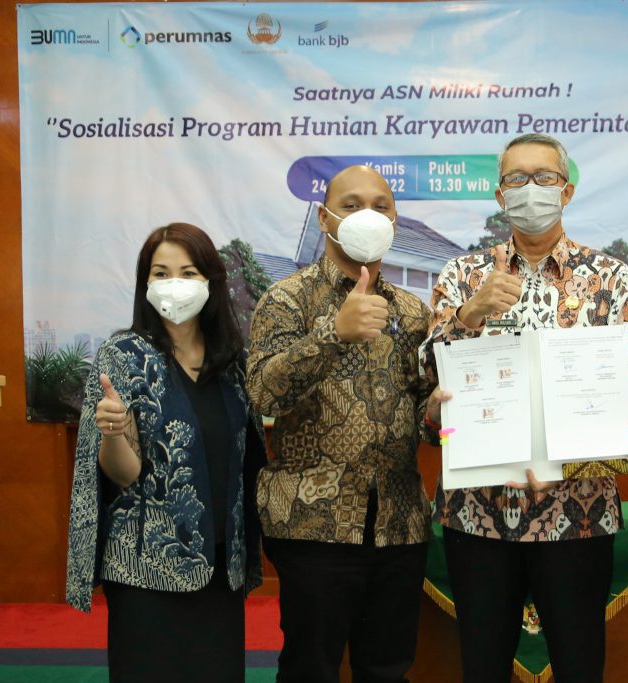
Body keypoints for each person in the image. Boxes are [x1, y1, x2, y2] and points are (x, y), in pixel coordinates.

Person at [419, 133, 628, 683]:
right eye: (517, 179)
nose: (531, 189)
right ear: (501, 195)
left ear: (566, 190)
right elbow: (428, 373)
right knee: (483, 665)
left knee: (580, 665)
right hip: (479, 511)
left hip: (578, 512)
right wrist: (469, 315)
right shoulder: (462, 275)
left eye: (544, 177)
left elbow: (625, 388)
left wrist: (562, 462)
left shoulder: (610, 277)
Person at [246, 165, 446, 683]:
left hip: (398, 525)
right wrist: (333, 334)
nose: (367, 216)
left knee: (387, 669)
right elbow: (264, 395)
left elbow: (425, 421)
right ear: (324, 217)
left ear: (395, 220)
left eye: (381, 206)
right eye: (352, 205)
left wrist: (437, 413)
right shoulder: (286, 300)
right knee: (310, 669)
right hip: (313, 523)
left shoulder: (412, 311)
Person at [66, 222, 267, 682]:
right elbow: (123, 474)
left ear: (210, 281)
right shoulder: (123, 355)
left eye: (188, 272)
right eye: (161, 273)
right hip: (146, 572)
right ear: (146, 284)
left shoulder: (233, 363)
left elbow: (247, 461)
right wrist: (113, 432)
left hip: (220, 571)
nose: (174, 283)